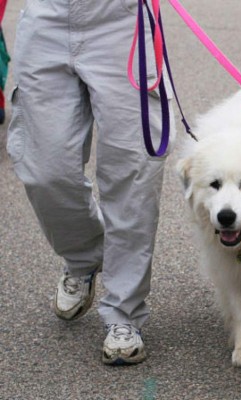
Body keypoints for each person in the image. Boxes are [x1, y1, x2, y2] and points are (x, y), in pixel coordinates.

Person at [7, 0, 175, 364]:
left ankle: (124, 313)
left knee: (132, 171)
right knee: (44, 170)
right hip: (47, 18)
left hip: (121, 20)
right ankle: (84, 256)